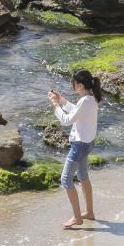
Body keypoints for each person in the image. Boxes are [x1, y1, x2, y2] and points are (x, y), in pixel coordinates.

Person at [47, 69, 102, 229]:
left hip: (80, 145)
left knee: (65, 179)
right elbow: (76, 111)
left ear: (79, 85)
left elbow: (66, 120)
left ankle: (77, 217)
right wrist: (62, 100)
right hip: (87, 143)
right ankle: (89, 212)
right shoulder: (90, 98)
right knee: (83, 176)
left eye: (74, 83)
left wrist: (55, 105)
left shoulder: (86, 101)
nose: (72, 85)